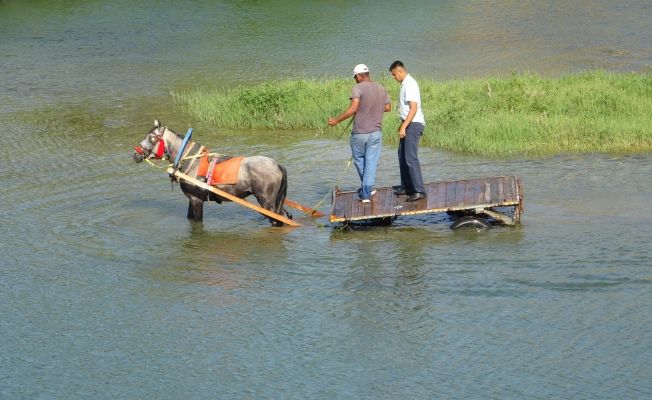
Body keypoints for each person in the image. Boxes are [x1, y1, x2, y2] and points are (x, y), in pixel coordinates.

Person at [328, 64, 391, 203]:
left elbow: (353, 108)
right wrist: (373, 108)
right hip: (375, 133)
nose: (355, 79)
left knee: (360, 162)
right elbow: (388, 107)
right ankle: (368, 189)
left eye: (355, 77)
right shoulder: (381, 88)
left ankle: (366, 195)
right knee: (371, 163)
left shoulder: (357, 88)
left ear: (358, 76)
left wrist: (336, 120)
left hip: (359, 134)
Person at [389, 60, 426, 202]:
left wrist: (404, 126)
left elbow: (414, 108)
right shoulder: (404, 84)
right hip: (407, 122)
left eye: (394, 75)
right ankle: (406, 186)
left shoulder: (410, 84)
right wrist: (402, 124)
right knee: (401, 155)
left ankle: (419, 190)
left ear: (400, 71)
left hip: (414, 123)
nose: (393, 77)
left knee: (410, 157)